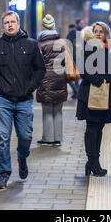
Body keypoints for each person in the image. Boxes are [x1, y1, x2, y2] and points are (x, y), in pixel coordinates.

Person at [0, 11, 46, 189]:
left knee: (25, 136)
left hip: (24, 99)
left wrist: (30, 87)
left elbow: (40, 70)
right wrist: (0, 86)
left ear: (19, 23)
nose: (10, 25)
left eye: (13, 22)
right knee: (3, 137)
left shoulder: (31, 44)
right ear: (3, 26)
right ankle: (3, 174)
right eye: (6, 22)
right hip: (3, 99)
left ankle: (22, 157)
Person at [76, 22, 111, 177]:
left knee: (99, 129)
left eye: (101, 31)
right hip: (90, 94)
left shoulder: (108, 49)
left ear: (106, 34)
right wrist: (99, 80)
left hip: (104, 95)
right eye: (96, 31)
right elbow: (83, 70)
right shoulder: (89, 48)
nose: (98, 34)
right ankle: (93, 163)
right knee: (92, 129)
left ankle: (92, 163)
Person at [36, 14, 68, 146]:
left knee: (47, 108)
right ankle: (58, 138)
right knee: (58, 108)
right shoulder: (61, 42)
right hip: (60, 77)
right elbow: (65, 61)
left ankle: (48, 138)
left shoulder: (40, 43)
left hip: (45, 78)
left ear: (43, 26)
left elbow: (37, 62)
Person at [66, 19, 85, 99]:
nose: (82, 24)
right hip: (76, 57)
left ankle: (76, 91)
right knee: (73, 76)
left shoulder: (78, 33)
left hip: (75, 57)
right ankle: (76, 91)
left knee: (71, 76)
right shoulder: (77, 33)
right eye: (81, 23)